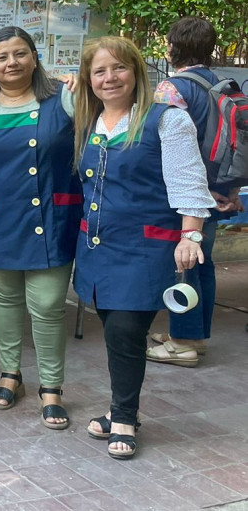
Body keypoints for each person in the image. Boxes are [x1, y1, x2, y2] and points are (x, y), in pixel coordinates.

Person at [73, 36, 214, 460]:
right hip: (98, 249)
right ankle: (125, 411)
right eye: (99, 71)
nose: (110, 78)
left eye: (119, 68)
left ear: (136, 73)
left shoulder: (167, 120)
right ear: (89, 79)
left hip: (145, 248)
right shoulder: (90, 123)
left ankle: (123, 416)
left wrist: (191, 236)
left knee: (124, 332)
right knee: (117, 331)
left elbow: (188, 180)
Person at [0, 27, 79, 429]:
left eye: (20, 54)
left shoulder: (65, 98)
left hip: (51, 217)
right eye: (2, 56)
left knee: (48, 306)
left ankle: (52, 388)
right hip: (1, 218)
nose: (11, 62)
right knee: (6, 300)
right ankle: (10, 375)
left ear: (35, 57)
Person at [147, 16, 243, 367]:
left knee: (183, 264)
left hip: (188, 197)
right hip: (220, 191)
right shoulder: (221, 84)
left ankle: (182, 342)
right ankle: (195, 336)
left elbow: (165, 148)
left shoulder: (172, 89)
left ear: (173, 48)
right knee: (203, 264)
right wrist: (230, 189)